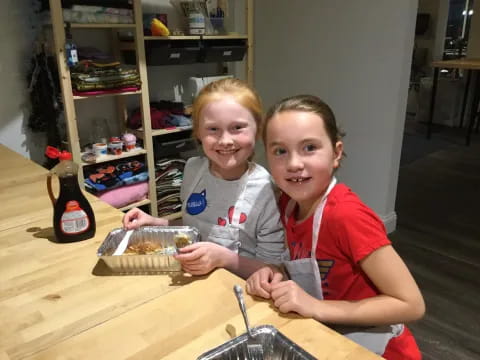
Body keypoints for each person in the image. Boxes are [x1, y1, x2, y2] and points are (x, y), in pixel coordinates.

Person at [245, 95, 425, 359]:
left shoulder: (346, 216)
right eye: (280, 151)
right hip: (328, 338)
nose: (294, 163)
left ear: (336, 153)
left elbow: (411, 304)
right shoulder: (287, 203)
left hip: (377, 348)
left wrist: (316, 307)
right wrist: (274, 272)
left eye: (309, 147)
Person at [123, 78, 285, 278]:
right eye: (213, 129)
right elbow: (194, 228)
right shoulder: (193, 170)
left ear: (257, 130)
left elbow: (272, 271)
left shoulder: (266, 190)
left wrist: (223, 258)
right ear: (198, 132)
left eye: (237, 127)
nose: (225, 140)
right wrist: (154, 223)